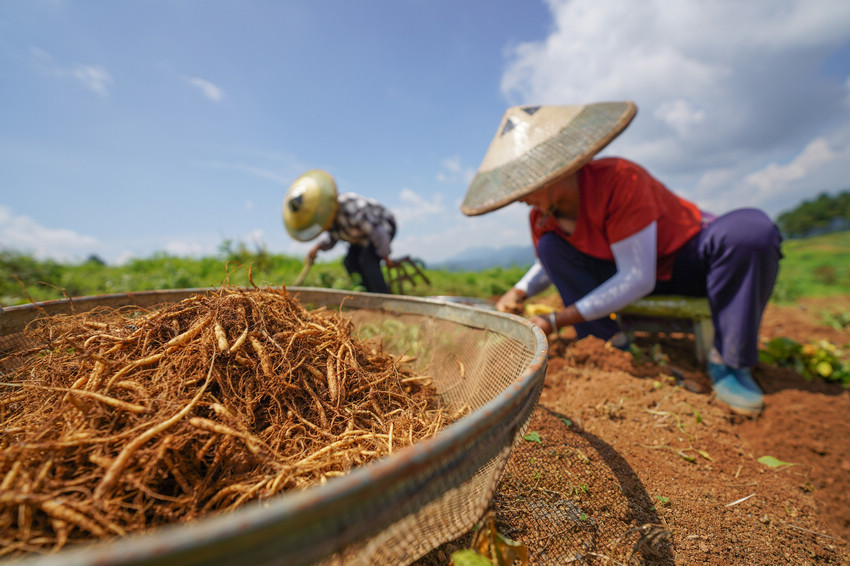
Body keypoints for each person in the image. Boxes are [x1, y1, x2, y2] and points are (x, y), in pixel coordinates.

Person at [462, 102, 782, 417]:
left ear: (553, 169)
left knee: (749, 231)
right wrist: (520, 291)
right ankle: (606, 347)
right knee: (549, 247)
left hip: (688, 263)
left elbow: (638, 276)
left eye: (523, 183)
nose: (518, 197)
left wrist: (556, 320)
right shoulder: (543, 218)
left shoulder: (619, 179)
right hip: (620, 277)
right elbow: (551, 262)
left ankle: (728, 361)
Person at [283, 169, 397, 293]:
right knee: (349, 262)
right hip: (361, 238)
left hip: (383, 228)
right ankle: (367, 293)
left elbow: (377, 232)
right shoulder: (330, 220)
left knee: (367, 260)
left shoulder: (349, 207)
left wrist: (385, 256)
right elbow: (332, 239)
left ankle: (382, 296)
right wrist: (316, 248)